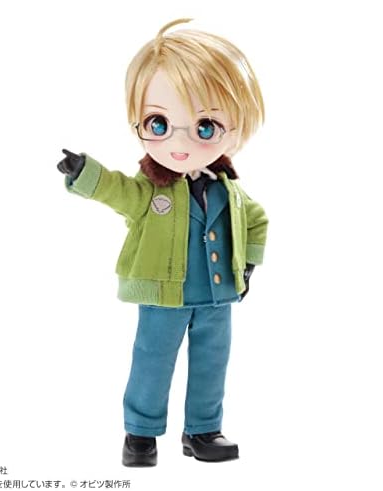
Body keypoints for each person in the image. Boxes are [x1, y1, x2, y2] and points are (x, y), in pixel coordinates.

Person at [57, 18, 268, 466]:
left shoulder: (228, 189)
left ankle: (203, 429)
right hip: (162, 294)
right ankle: (140, 433)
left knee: (212, 362)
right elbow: (118, 190)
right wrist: (86, 173)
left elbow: (256, 220)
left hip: (217, 295)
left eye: (206, 126)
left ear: (235, 127)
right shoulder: (150, 190)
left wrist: (248, 264)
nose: (180, 142)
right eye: (159, 123)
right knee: (153, 359)